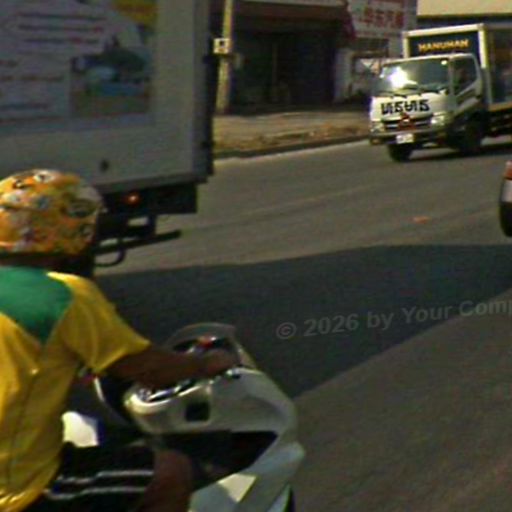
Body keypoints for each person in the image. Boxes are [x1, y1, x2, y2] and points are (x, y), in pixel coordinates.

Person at [0, 169, 237, 512]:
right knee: (171, 472)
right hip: (16, 489)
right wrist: (206, 364)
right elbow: (150, 370)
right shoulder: (64, 295)